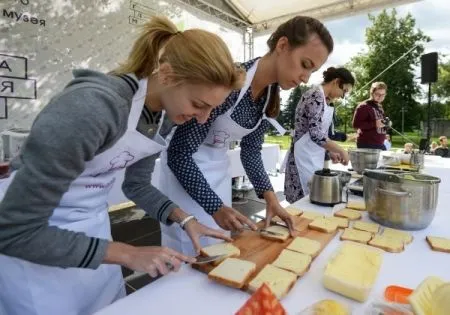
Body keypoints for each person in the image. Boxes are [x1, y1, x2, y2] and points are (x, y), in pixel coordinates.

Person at [0, 16, 243, 315]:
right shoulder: (93, 107)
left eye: (211, 110)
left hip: (92, 231)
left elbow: (136, 185)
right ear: (166, 75)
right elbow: (15, 230)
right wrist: (128, 253)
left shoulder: (160, 116)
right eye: (198, 104)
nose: (203, 119)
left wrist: (185, 220)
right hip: (34, 241)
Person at [157, 16, 334, 255]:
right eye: (305, 64)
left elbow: (250, 151)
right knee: (188, 251)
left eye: (312, 71)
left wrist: (271, 198)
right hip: (185, 176)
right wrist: (215, 206)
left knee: (217, 250)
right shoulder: (231, 82)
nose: (306, 78)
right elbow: (180, 153)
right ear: (282, 46)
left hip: (218, 174)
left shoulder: (269, 99)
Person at [284, 67, 353, 203]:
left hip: (312, 157)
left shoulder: (323, 99)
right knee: (302, 205)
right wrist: (340, 150)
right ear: (336, 81)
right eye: (343, 91)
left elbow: (319, 132)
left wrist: (329, 150)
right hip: (301, 159)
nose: (342, 96)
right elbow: (315, 134)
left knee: (311, 202)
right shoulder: (315, 96)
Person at [352, 82, 389, 150]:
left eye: (383, 95)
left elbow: (380, 125)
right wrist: (374, 123)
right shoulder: (364, 106)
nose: (380, 97)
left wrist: (387, 124)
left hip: (380, 144)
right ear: (371, 93)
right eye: (378, 94)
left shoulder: (380, 106)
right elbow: (356, 125)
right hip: (367, 144)